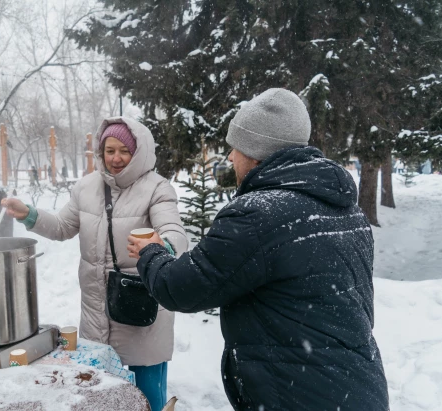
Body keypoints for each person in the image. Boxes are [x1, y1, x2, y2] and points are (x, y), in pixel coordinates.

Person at [127, 89, 389, 410]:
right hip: (358, 389)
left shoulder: (257, 214)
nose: (230, 159)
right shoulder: (346, 210)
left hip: (299, 396)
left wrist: (151, 251)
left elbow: (182, 288)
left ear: (254, 151)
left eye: (234, 149)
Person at [2, 117, 188, 411]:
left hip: (141, 312)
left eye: (124, 151)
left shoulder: (157, 189)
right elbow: (62, 227)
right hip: (96, 313)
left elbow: (175, 233)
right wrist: (29, 214)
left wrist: (161, 245)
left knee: (148, 397)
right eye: (109, 150)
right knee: (101, 396)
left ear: (138, 151)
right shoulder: (86, 187)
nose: (115, 158)